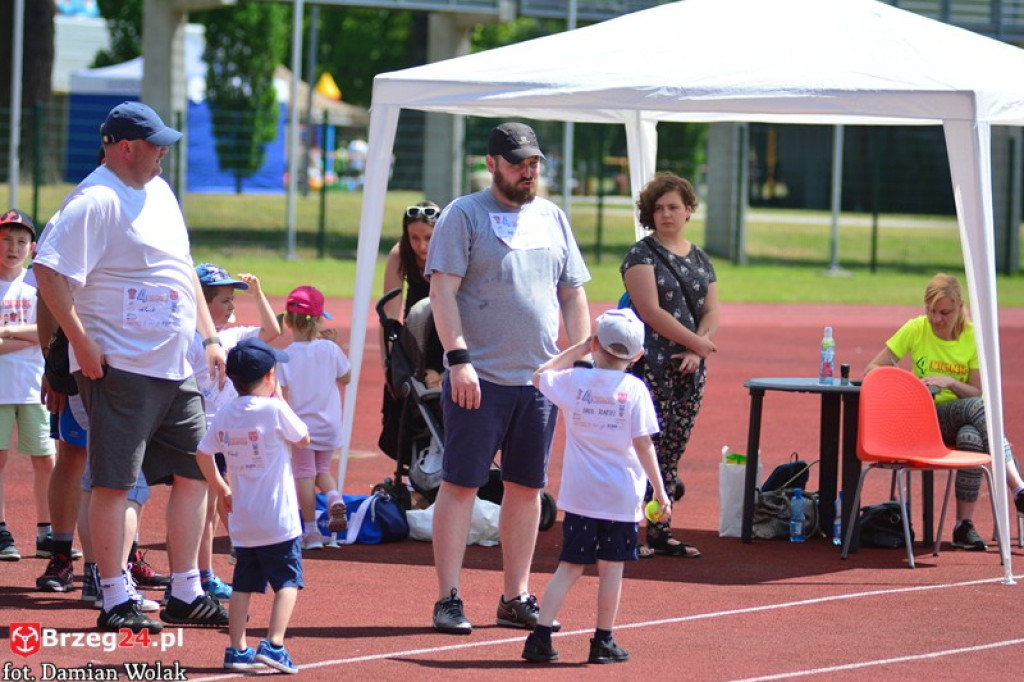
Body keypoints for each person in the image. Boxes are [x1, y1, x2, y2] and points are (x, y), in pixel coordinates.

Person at [32, 101, 229, 633]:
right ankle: (115, 594)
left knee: (196, 472)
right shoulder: (93, 200)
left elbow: (182, 267)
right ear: (125, 147)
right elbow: (48, 273)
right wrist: (81, 344)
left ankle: (186, 588)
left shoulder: (160, 191)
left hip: (175, 365)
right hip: (119, 368)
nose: (164, 151)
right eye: (156, 143)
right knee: (117, 483)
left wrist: (209, 336)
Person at [425, 121, 591, 634]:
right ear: (493, 162)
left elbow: (573, 293)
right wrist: (458, 359)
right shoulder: (464, 214)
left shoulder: (552, 217)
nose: (529, 170)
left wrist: (579, 359)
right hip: (480, 377)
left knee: (526, 489)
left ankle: (515, 595)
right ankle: (448, 598)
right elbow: (442, 292)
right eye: (519, 162)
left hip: (540, 382)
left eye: (535, 162)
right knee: (460, 486)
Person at [522, 309, 668, 665]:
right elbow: (644, 444)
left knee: (569, 566)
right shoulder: (635, 389)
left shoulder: (574, 381)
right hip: (621, 499)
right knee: (612, 568)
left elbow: (539, 375)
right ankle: (603, 640)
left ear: (596, 344)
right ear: (637, 356)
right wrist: (660, 491)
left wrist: (577, 349)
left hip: (581, 496)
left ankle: (539, 637)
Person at [864, 273, 1024, 550]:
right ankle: (1018, 487)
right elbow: (872, 370)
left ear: (960, 307)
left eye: (945, 312)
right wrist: (911, 385)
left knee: (972, 436)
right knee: (979, 411)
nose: (937, 319)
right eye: (932, 311)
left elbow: (976, 391)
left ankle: (964, 526)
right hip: (924, 417)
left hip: (963, 414)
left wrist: (949, 382)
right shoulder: (916, 328)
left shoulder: (973, 336)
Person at [620, 172, 719, 559]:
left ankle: (660, 531)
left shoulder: (700, 257)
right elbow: (650, 311)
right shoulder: (640, 255)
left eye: (674, 207)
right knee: (643, 448)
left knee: (672, 452)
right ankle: (626, 530)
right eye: (658, 208)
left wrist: (697, 352)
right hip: (650, 369)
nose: (666, 214)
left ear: (689, 210)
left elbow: (711, 310)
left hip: (690, 371)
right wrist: (698, 343)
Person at [195, 338, 309, 674]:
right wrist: (282, 402)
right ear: (270, 376)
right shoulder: (274, 409)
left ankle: (237, 649)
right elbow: (302, 437)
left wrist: (220, 486)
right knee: (288, 582)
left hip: (243, 519)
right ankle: (274, 643)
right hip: (278, 519)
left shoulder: (227, 412)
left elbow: (203, 453)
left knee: (242, 585)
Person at [193, 263, 282, 599]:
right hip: (200, 429)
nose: (231, 306)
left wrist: (258, 295)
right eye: (224, 299)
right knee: (202, 505)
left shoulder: (232, 336)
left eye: (233, 299)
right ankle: (199, 574)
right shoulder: (191, 336)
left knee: (219, 504)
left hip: (228, 432)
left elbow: (271, 331)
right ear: (202, 302)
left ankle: (208, 570)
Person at [0, 209, 56, 562]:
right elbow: (38, 334)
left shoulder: (37, 284)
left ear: (32, 248)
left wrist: (5, 331)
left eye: (21, 241)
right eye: (6, 240)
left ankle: (46, 531)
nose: (13, 247)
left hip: (35, 385)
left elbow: (48, 332)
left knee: (45, 460)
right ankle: (2, 530)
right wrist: (31, 336)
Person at [277, 285, 351, 550]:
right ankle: (333, 496)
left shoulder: (286, 355)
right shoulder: (330, 350)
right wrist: (337, 347)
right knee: (322, 470)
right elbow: (346, 377)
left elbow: (280, 390)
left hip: (302, 426)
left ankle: (310, 531)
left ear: (287, 321)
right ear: (319, 320)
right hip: (329, 424)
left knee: (304, 474)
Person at [381, 200, 444, 387]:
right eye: (414, 238)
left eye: (428, 237)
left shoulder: (453, 251)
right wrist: (389, 364)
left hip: (448, 330)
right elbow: (389, 316)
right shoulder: (400, 254)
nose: (422, 246)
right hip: (417, 332)